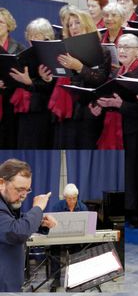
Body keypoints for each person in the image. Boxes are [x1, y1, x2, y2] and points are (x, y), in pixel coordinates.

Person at [91, 34, 138, 227]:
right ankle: (120, 208)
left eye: (127, 47)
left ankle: (136, 210)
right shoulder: (117, 72)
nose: (122, 50)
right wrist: (99, 106)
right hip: (113, 127)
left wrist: (121, 104)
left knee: (134, 172)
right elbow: (110, 96)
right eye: (119, 47)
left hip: (134, 129)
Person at [39, 6, 111, 149]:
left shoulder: (102, 50)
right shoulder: (62, 49)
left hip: (87, 111)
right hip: (64, 109)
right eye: (70, 25)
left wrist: (79, 67)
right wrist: (47, 78)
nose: (74, 27)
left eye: (77, 23)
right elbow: (59, 77)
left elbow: (101, 79)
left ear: (87, 24)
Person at [0, 158, 57, 292]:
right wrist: (37, 208)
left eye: (27, 190)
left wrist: (41, 222)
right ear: (1, 183)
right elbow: (16, 232)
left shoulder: (6, 203)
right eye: (20, 189)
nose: (23, 195)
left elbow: (13, 222)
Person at [8, 18, 55, 149]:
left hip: (41, 109)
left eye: (36, 35)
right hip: (23, 109)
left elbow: (51, 86)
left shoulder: (51, 54)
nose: (31, 38)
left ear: (46, 37)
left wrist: (31, 82)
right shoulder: (25, 54)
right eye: (30, 35)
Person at [49, 183, 88, 291]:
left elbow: (87, 227)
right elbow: (51, 225)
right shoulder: (57, 207)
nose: (72, 201)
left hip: (76, 238)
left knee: (78, 249)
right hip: (59, 237)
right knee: (54, 250)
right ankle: (56, 279)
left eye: (74, 198)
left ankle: (74, 278)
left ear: (77, 197)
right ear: (65, 197)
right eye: (69, 199)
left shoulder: (82, 207)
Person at [0, 8, 26, 149]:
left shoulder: (19, 48)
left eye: (0, 22)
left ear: (8, 26)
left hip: (10, 101)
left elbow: (22, 76)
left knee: (8, 140)